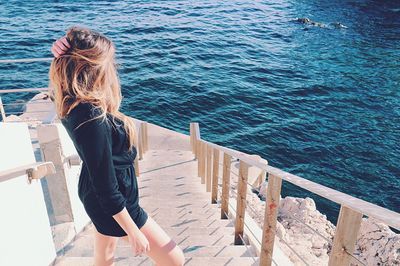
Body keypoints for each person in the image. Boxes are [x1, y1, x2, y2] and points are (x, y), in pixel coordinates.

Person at [49, 26, 185, 266]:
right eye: (108, 62)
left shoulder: (69, 100)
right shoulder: (90, 116)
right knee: (174, 258)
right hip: (113, 199)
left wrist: (61, 54)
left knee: (104, 255)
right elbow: (106, 187)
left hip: (96, 193)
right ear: (89, 69)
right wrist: (133, 230)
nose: (112, 68)